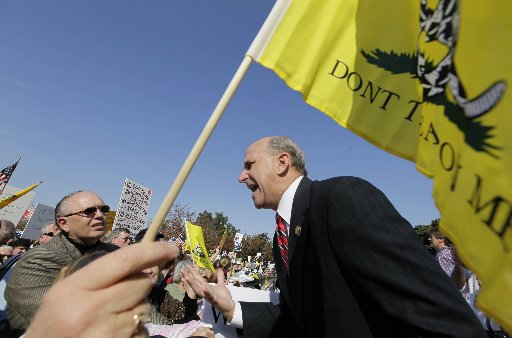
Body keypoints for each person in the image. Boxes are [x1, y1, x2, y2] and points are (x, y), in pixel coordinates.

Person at [182, 136, 486, 337]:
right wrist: (231, 308)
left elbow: (439, 314)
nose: (241, 176)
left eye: (249, 165)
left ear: (282, 162)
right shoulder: (281, 238)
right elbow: (301, 317)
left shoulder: (340, 198)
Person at [24, 241, 212, 338]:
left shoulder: (156, 295)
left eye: (153, 264)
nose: (149, 270)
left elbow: (174, 325)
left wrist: (191, 292)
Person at [3, 191, 119, 334]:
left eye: (104, 209)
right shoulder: (38, 260)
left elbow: (143, 306)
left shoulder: (115, 254)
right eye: (89, 211)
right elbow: (53, 319)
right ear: (64, 223)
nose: (100, 215)